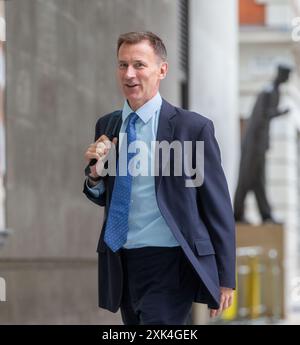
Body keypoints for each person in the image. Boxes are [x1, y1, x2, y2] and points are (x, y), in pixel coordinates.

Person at [83, 31, 236, 325]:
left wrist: (224, 276)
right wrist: (95, 175)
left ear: (161, 70)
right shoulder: (108, 124)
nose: (129, 74)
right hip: (122, 262)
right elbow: (102, 193)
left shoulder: (192, 129)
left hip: (171, 262)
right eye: (122, 65)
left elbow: (217, 206)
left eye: (139, 65)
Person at [234, 65, 291, 224]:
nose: (288, 78)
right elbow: (262, 116)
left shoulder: (273, 90)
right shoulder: (268, 91)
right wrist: (281, 112)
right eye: (287, 75)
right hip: (254, 144)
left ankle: (265, 214)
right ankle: (236, 214)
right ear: (281, 74)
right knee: (245, 179)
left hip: (259, 144)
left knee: (259, 180)